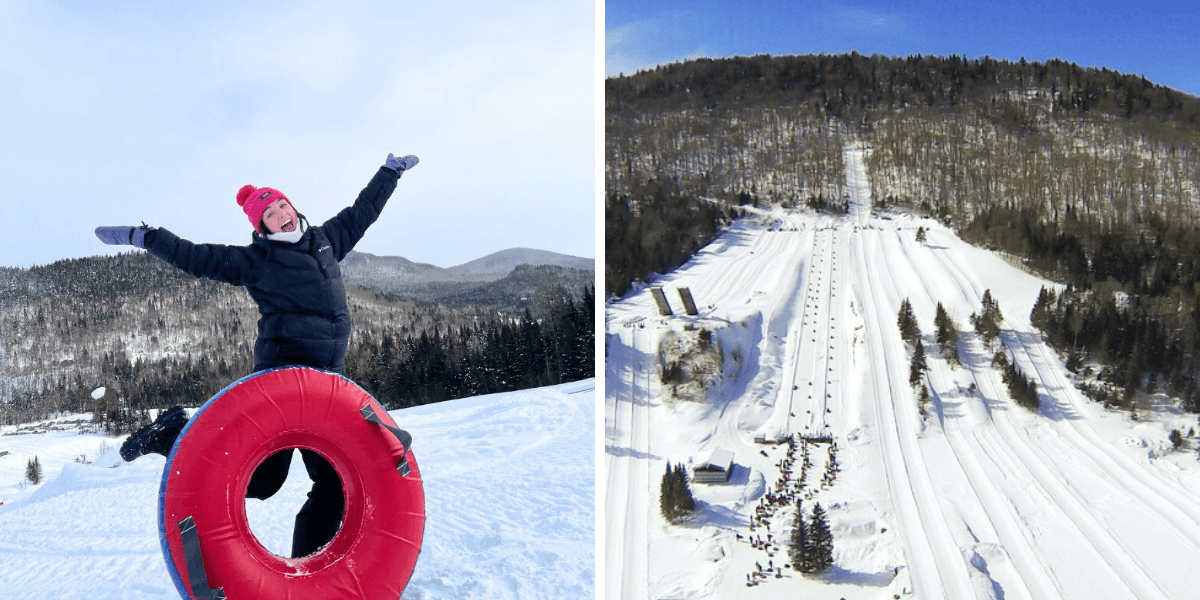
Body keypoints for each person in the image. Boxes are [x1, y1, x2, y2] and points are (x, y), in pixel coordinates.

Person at [95, 152, 419, 558]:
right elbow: (197, 258)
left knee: (335, 485)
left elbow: (363, 212)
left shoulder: (324, 240)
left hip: (327, 387)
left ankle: (307, 575)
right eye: (269, 212)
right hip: (283, 386)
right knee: (264, 482)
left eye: (283, 204)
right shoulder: (258, 260)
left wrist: (389, 172)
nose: (281, 212)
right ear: (260, 226)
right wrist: (144, 236)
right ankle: (174, 433)